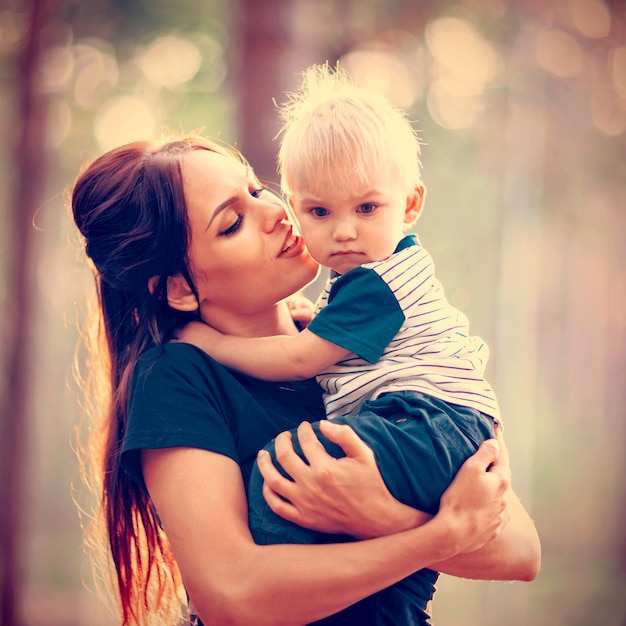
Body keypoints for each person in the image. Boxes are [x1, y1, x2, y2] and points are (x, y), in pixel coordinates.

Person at [71, 132, 540, 626]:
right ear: (179, 289)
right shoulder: (177, 375)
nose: (275, 212)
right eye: (233, 223)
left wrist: (377, 513)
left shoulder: (357, 350)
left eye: (254, 190)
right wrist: (437, 537)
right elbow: (231, 596)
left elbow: (519, 551)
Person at [177, 64, 517, 623]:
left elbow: (298, 359)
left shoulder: (374, 283)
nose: (343, 232)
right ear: (297, 203)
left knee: (284, 477)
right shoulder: (374, 278)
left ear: (410, 205)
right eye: (319, 211)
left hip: (428, 422)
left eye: (366, 209)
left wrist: (209, 343)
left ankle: (263, 588)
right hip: (442, 422)